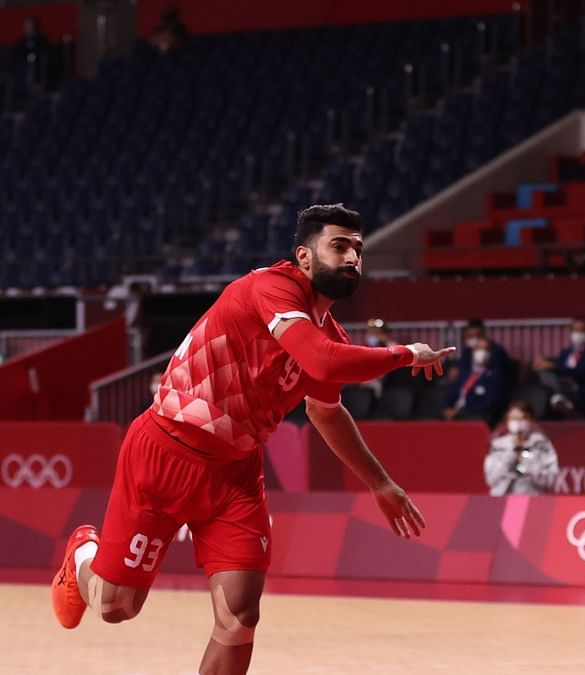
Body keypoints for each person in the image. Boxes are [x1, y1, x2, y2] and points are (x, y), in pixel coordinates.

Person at [50, 204, 454, 673]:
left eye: (358, 250)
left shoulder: (330, 331)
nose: (352, 259)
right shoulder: (272, 287)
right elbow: (321, 362)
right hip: (163, 454)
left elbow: (326, 412)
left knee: (240, 617)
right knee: (117, 607)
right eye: (339, 246)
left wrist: (380, 483)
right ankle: (83, 551)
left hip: (235, 476)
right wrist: (405, 354)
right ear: (304, 256)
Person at [533, 318, 585, 419]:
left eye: (582, 330)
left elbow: (582, 372)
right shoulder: (566, 353)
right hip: (563, 387)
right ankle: (562, 399)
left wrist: (553, 366)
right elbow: (558, 367)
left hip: (583, 391)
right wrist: (542, 364)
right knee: (543, 372)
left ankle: (564, 401)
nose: (578, 334)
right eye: (575, 330)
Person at [483, 402, 559, 496]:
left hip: (533, 500)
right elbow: (491, 479)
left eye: (521, 418)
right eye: (513, 419)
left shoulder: (541, 445)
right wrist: (512, 454)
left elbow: (550, 480)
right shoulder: (499, 446)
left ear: (530, 420)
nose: (517, 423)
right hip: (501, 500)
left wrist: (528, 465)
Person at [443, 337, 505, 422]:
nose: (482, 352)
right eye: (478, 348)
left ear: (490, 353)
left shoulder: (494, 376)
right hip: (454, 414)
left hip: (475, 415)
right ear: (472, 352)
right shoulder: (464, 373)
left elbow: (490, 402)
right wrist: (447, 408)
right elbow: (452, 394)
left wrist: (460, 412)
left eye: (486, 349)